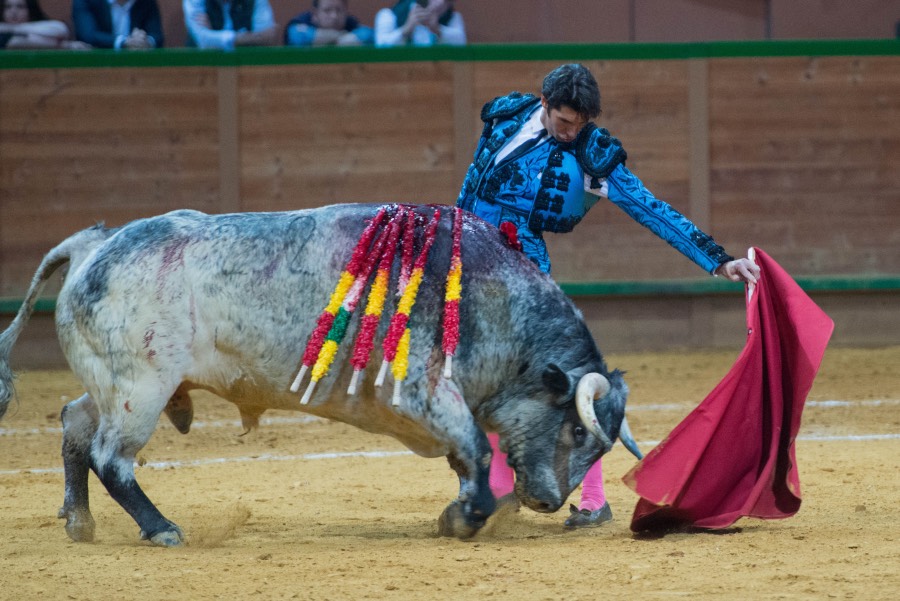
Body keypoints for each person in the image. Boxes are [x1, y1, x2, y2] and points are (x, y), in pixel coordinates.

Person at [457, 63, 760, 528]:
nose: (570, 133)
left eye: (579, 124)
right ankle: (496, 489)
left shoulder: (591, 156)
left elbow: (650, 208)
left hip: (522, 273)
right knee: (469, 375)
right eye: (563, 122)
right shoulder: (506, 114)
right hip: (465, 258)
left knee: (552, 380)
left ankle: (592, 498)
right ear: (544, 102)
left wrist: (718, 260)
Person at [183, 0, 277, 50]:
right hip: (201, 68)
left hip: (247, 68)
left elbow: (266, 37)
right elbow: (203, 39)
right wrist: (247, 38)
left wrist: (214, 36)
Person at [72, 0, 164, 50]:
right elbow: (88, 35)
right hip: (97, 66)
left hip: (137, 67)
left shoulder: (146, 2)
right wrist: (123, 42)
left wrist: (146, 41)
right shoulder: (87, 1)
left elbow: (157, 35)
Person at [1, 0, 89, 49]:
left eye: (20, 7)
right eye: (8, 7)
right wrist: (64, 45)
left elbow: (61, 29)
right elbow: (14, 42)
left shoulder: (37, 26)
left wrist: (11, 28)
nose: (13, 12)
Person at [374, 0, 464, 47]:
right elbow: (381, 46)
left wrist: (438, 30)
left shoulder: (452, 17)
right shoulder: (389, 15)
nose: (440, 3)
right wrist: (406, 29)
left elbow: (461, 43)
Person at [284, 0, 373, 47]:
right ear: (315, 14)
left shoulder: (351, 23)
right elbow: (296, 35)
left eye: (339, 10)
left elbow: (369, 35)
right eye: (327, 11)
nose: (334, 16)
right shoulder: (304, 20)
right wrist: (339, 36)